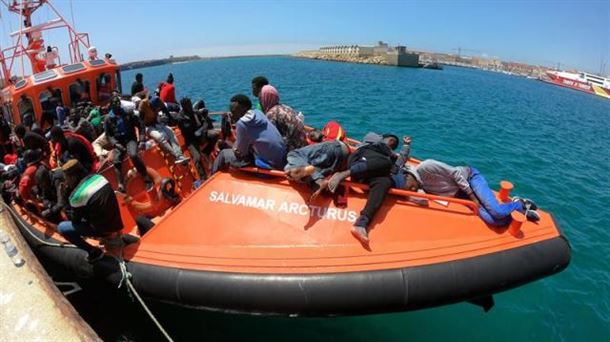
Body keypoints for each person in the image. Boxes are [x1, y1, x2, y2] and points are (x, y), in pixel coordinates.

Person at [401, 158, 540, 226]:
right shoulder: (420, 186)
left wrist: (473, 197)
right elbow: (423, 200)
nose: (413, 190)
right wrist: (409, 197)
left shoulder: (426, 166)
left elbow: (455, 173)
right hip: (461, 194)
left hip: (470, 179)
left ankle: (519, 204)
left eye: (410, 187)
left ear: (408, 175)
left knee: (497, 212)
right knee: (493, 220)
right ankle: (514, 213)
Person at [326, 132, 400, 245]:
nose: (391, 143)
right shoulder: (374, 140)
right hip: (360, 159)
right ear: (383, 138)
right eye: (391, 140)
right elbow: (364, 144)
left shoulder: (390, 156)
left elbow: (395, 169)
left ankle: (361, 223)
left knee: (385, 181)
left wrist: (395, 156)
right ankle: (345, 173)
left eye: (394, 144)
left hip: (369, 175)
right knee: (385, 163)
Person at [57, 159, 123, 262]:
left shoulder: (76, 196)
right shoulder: (99, 177)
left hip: (104, 229)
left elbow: (75, 221)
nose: (66, 181)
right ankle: (113, 235)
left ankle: (93, 252)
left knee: (62, 227)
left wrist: (64, 198)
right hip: (117, 223)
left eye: (67, 178)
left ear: (73, 177)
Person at [211, 94, 286, 173]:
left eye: (233, 112)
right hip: (281, 161)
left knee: (223, 154)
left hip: (268, 165)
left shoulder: (242, 123)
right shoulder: (258, 113)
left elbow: (242, 153)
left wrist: (234, 149)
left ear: (243, 111)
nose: (231, 115)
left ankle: (210, 178)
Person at [104, 95, 151, 193]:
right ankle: (121, 185)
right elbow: (109, 136)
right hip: (119, 142)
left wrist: (142, 139)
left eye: (118, 102)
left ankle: (146, 177)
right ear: (111, 105)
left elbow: (140, 124)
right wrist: (116, 144)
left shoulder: (128, 113)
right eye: (115, 103)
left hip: (130, 138)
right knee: (116, 160)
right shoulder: (108, 119)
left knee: (133, 154)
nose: (118, 104)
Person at [284, 140, 350, 197]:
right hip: (340, 155)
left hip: (336, 156)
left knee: (293, 155)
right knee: (293, 159)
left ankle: (316, 179)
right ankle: (315, 179)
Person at [175, 97, 218, 179]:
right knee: (197, 158)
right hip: (191, 140)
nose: (190, 106)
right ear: (183, 106)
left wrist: (201, 130)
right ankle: (203, 178)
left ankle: (206, 152)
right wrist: (196, 130)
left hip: (201, 133)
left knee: (215, 134)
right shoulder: (180, 118)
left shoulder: (196, 112)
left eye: (190, 104)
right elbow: (187, 129)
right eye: (188, 105)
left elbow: (205, 123)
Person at [140, 98, 188, 164]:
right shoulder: (143, 106)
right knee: (160, 137)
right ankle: (176, 156)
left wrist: (172, 120)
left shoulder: (159, 103)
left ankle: (180, 156)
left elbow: (167, 113)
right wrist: (142, 139)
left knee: (170, 132)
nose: (157, 110)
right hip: (147, 127)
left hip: (157, 122)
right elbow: (141, 124)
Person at [259, 85, 307, 152]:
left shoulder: (271, 114)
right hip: (303, 144)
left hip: (293, 151)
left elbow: (271, 139)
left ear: (266, 98)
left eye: (261, 99)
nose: (260, 102)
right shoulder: (286, 107)